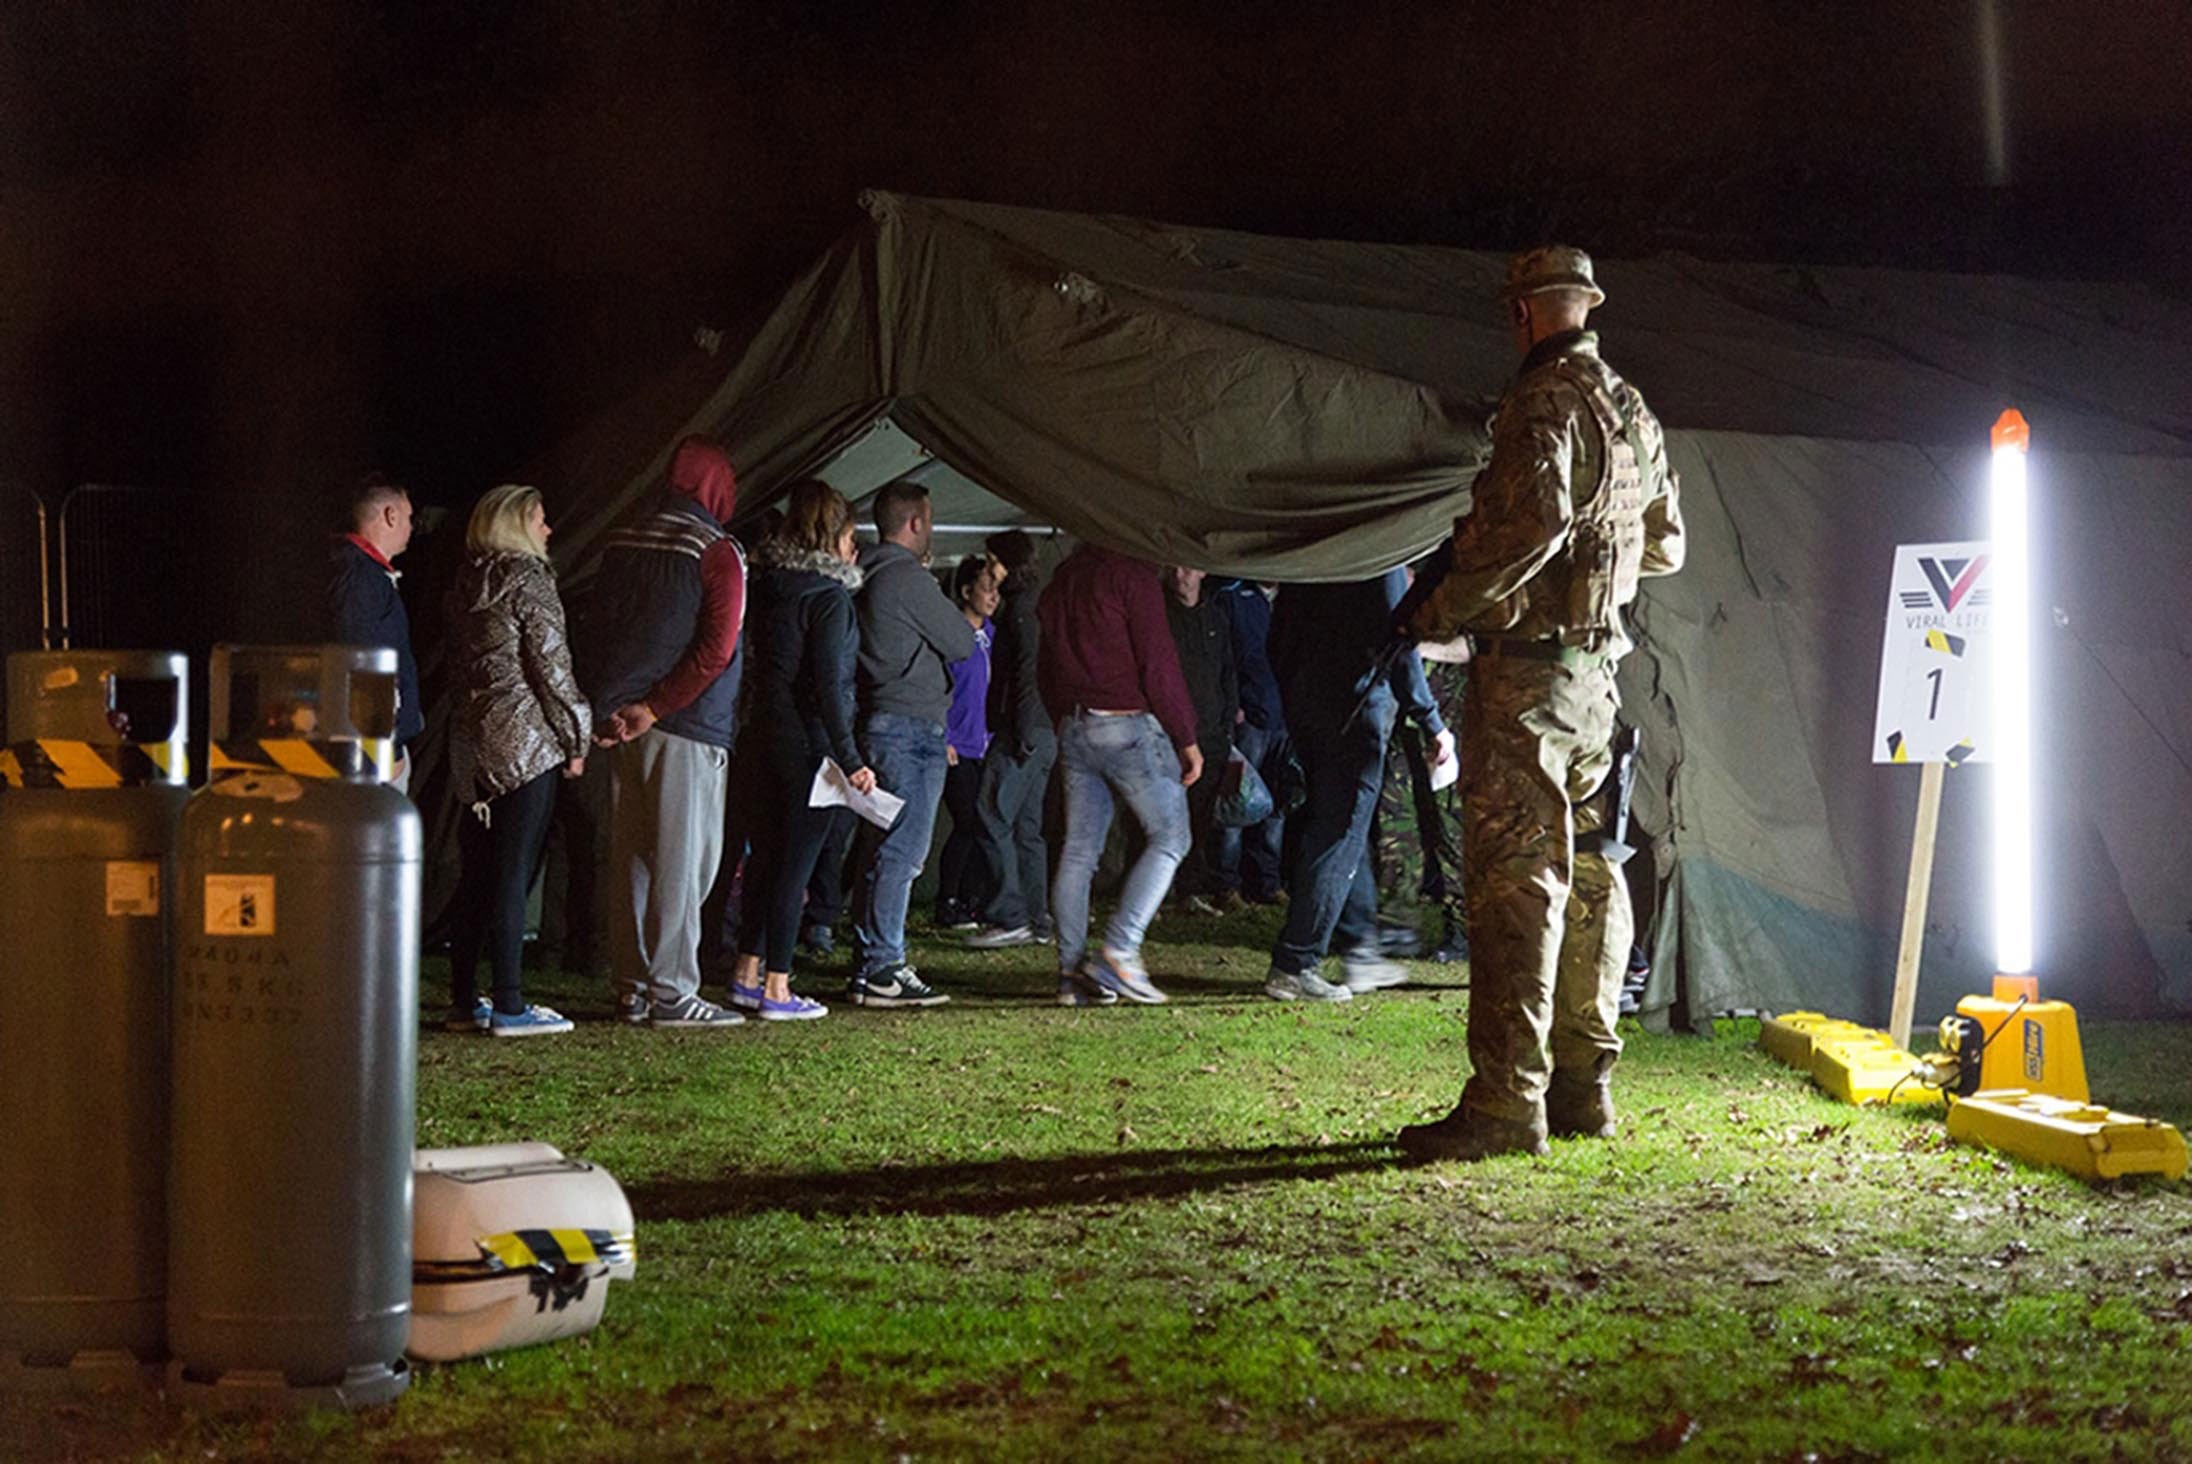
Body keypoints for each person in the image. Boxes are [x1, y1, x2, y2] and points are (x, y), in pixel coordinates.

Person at [1397, 246, 1685, 1162]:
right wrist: (1597, 574)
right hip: (1597, 678)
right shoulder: (1631, 407)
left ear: (1523, 314)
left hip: (1526, 680)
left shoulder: (1540, 403)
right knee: (1596, 871)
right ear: (1586, 307)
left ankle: (1505, 1104)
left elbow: (1534, 524)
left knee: (1517, 882)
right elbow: (1667, 545)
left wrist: (1442, 608)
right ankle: (1583, 1089)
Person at [575, 434, 749, 1030]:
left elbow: (604, 625)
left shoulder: (625, 536)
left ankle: (632, 988)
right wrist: (659, 703)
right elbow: (717, 649)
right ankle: (674, 992)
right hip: (688, 722)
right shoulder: (716, 549)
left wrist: (616, 705)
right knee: (685, 863)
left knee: (633, 860)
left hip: (623, 723)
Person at [441, 484, 590, 1036]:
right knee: (514, 870)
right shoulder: (529, 580)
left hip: (472, 746)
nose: (549, 531)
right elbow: (551, 668)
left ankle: (464, 998)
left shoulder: (463, 586)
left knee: (478, 871)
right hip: (527, 745)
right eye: (543, 519)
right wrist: (576, 737)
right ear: (520, 522)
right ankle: (509, 1002)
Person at [725, 482, 874, 1022]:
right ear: (832, 536)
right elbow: (829, 686)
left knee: (764, 859)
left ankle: (746, 971)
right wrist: (851, 758)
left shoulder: (766, 589)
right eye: (851, 535)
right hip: (805, 745)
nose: (854, 547)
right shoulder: (828, 600)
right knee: (797, 866)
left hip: (758, 735)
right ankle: (779, 986)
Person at [1264, 571, 1449, 1002]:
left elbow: (1278, 638)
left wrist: (1296, 697)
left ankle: (1356, 947)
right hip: (1356, 715)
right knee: (1338, 834)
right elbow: (1398, 646)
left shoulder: (1316, 563)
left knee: (1338, 831)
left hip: (1311, 709)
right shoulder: (1380, 565)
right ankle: (1296, 962)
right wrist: (1432, 721)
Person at [1040, 542, 1203, 1006]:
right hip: (1125, 723)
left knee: (1078, 852)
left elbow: (1044, 666)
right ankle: (1121, 951)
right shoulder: (1131, 574)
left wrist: (1063, 719)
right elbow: (1158, 662)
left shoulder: (1061, 580)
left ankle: (1072, 975)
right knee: (1171, 836)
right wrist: (1185, 736)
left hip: (1074, 725)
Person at [845, 481, 975, 1007]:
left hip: (879, 721)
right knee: (904, 851)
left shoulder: (863, 576)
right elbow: (962, 641)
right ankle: (884, 968)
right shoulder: (906, 579)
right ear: (915, 523)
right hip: (911, 728)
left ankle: (869, 963)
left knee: (880, 849)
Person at [966, 530, 1055, 951]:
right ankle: (1036, 917)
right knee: (1027, 827)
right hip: (1041, 729)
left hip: (1023, 730)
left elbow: (1023, 674)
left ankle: (1011, 914)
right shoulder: (1033, 607)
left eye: (992, 562)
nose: (988, 571)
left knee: (990, 811)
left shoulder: (1020, 612)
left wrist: (1015, 731)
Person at [327, 474, 424, 791]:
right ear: (390, 515)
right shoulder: (362, 580)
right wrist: (389, 750)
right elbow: (365, 666)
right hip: (371, 759)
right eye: (409, 517)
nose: (412, 527)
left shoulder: (359, 573)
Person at [1162, 565, 1238, 913]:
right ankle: (1160, 890)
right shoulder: (1160, 615)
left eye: (1187, 568)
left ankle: (1188, 888)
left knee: (1201, 816)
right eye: (1175, 567)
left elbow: (1227, 670)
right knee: (1162, 814)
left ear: (1203, 572)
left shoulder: (1215, 617)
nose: (1180, 575)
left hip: (1211, 732)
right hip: (1172, 733)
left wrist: (1227, 719)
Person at [933, 555, 1000, 929]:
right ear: (965, 591)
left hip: (985, 744)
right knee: (966, 822)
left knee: (981, 823)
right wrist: (944, 736)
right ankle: (949, 901)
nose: (993, 597)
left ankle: (973, 901)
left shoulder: (993, 635)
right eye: (986, 588)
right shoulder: (951, 635)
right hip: (957, 745)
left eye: (997, 589)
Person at [1211, 578, 1287, 905]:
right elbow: (1219, 655)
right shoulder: (1231, 596)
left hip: (1285, 719)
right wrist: (1233, 705)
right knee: (1238, 801)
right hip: (1251, 718)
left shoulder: (1297, 598)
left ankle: (1267, 883)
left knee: (1277, 804)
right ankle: (1228, 884)